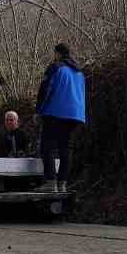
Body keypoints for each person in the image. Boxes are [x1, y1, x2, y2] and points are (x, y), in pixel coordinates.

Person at [34, 43, 86, 192]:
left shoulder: (55, 67)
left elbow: (45, 89)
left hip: (55, 112)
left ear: (57, 53)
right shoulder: (79, 72)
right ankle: (62, 184)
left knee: (47, 147)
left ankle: (51, 182)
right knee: (66, 149)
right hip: (75, 115)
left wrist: (38, 111)